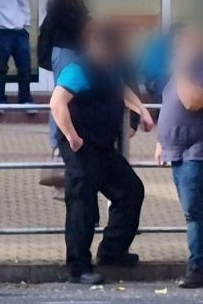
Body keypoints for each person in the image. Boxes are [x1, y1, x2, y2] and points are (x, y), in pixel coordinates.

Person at [50, 19, 155, 285]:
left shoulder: (111, 67)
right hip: (81, 146)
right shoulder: (79, 69)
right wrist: (72, 136)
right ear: (96, 45)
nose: (109, 55)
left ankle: (112, 251)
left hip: (104, 145)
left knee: (131, 190)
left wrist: (141, 110)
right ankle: (78, 266)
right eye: (106, 50)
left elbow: (121, 89)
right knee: (81, 203)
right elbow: (57, 102)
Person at [154, 24, 203, 288]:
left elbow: (192, 101)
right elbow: (170, 104)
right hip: (179, 151)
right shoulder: (186, 72)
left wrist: (179, 69)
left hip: (200, 152)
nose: (177, 50)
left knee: (193, 211)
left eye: (182, 45)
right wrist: (162, 141)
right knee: (199, 209)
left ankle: (197, 266)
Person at [41, 0, 89, 151]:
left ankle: (67, 136)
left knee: (72, 95)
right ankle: (56, 140)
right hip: (64, 51)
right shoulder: (58, 0)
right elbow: (72, 24)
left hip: (75, 51)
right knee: (61, 95)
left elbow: (85, 18)